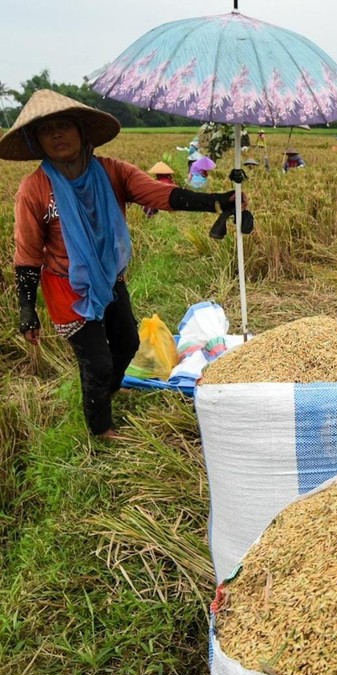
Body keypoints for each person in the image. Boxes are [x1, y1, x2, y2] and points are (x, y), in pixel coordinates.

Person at [1, 89, 253, 440]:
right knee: (97, 362)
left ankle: (112, 388)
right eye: (47, 130)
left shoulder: (113, 172)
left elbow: (161, 195)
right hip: (66, 287)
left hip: (108, 277)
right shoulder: (34, 189)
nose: (56, 134)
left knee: (128, 343)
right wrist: (27, 308)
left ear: (82, 131)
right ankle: (99, 428)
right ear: (37, 141)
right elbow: (27, 254)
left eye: (64, 126)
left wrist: (218, 201)